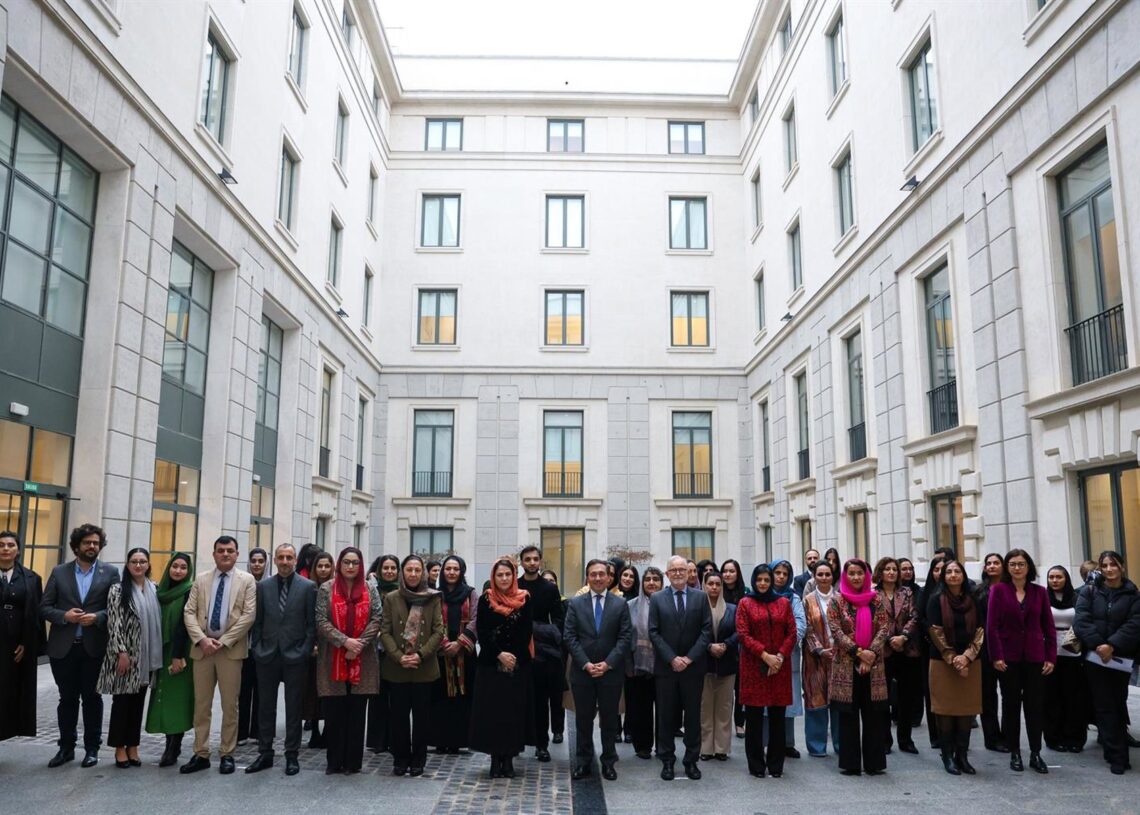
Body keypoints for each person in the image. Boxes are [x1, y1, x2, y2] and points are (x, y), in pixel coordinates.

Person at [40, 523, 120, 768]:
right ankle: (66, 748)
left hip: (94, 647)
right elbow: (44, 606)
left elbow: (116, 608)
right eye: (87, 543)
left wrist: (97, 617)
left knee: (92, 699)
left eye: (96, 543)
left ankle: (92, 749)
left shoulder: (110, 572)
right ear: (77, 546)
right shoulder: (60, 572)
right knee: (67, 699)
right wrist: (65, 616)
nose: (92, 546)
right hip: (63, 648)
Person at [180, 535, 257, 775]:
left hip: (230, 651)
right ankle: (200, 752)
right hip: (202, 650)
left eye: (230, 550)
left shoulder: (247, 581)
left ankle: (227, 753)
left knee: (229, 705)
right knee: (201, 705)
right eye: (221, 550)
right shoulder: (201, 580)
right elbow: (189, 612)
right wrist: (202, 640)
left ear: (237, 554)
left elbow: (248, 616)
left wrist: (222, 642)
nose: (225, 554)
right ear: (214, 554)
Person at [246, 544, 316, 776]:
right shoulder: (263, 587)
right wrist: (256, 647)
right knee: (265, 707)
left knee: (293, 707)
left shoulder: (308, 587)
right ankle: (265, 752)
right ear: (274, 560)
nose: (285, 561)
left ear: (296, 560)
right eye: (281, 557)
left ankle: (291, 754)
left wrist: (305, 650)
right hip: (267, 655)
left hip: (295, 655)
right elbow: (257, 621)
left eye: (289, 557)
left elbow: (310, 624)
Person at [987, 549, 1055, 774]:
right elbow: (992, 627)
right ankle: (1014, 750)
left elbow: (1048, 627)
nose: (1017, 568)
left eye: (1021, 564)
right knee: (1011, 705)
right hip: (1008, 658)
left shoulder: (1040, 592)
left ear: (1029, 567)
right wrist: (996, 655)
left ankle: (1036, 752)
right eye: (1013, 564)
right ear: (1007, 567)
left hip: (1035, 657)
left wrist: (1050, 656)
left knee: (1035, 706)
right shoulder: (998, 591)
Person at [564, 559, 632, 780]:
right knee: (582, 720)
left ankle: (609, 761)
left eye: (602, 574)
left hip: (610, 672)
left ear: (609, 577)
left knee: (610, 720)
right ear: (587, 577)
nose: (598, 578)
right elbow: (570, 637)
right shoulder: (575, 603)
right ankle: (583, 762)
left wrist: (607, 663)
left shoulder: (620, 604)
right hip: (582, 672)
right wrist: (585, 663)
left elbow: (624, 637)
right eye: (593, 574)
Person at [1074, 550, 1140, 775]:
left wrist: (1111, 645)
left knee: (1119, 702)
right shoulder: (1089, 592)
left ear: (1121, 566)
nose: (1109, 569)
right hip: (1095, 658)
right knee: (1104, 705)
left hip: (1121, 658)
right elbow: (1082, 620)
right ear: (1100, 569)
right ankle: (1115, 755)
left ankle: (1119, 750)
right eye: (1105, 565)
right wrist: (1099, 646)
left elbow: (1135, 624)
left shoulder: (1133, 594)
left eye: (1114, 564)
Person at [317, 547, 382, 774]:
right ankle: (334, 762)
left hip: (362, 659)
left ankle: (353, 763)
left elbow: (377, 618)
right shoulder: (327, 588)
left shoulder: (369, 588)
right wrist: (345, 642)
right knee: (334, 713)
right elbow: (320, 620)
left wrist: (359, 644)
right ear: (339, 564)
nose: (351, 566)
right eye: (346, 562)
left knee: (356, 714)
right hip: (333, 656)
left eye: (355, 562)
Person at [97, 548, 163, 769]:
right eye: (134, 561)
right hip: (126, 657)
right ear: (127, 564)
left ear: (148, 564)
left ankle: (133, 746)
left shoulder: (154, 589)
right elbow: (114, 623)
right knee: (122, 703)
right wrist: (121, 653)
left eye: (142, 561)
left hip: (147, 658)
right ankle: (119, 748)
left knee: (137, 704)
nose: (138, 565)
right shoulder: (117, 589)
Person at [470, 556, 535, 779]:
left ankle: (509, 759)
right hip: (490, 664)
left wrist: (512, 656)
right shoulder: (486, 600)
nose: (504, 578)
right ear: (493, 578)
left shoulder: (524, 599)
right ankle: (494, 759)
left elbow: (526, 631)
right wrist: (499, 653)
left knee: (513, 713)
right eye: (500, 575)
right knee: (492, 713)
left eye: (508, 574)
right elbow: (483, 630)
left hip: (517, 665)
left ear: (514, 576)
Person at [648, 555, 712, 781]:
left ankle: (691, 761)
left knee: (693, 717)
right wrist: (672, 658)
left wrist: (689, 658)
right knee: (666, 716)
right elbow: (653, 632)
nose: (677, 573)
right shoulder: (657, 598)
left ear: (689, 573)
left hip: (693, 669)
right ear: (667, 574)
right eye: (673, 570)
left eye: (681, 570)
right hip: (666, 669)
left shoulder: (701, 597)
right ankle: (667, 760)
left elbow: (706, 631)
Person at [380, 554, 444, 777]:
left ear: (423, 573)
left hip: (423, 668)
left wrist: (420, 654)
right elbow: (385, 631)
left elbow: (438, 631)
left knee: (422, 719)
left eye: (417, 570)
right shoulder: (392, 597)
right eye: (409, 570)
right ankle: (400, 759)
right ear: (402, 572)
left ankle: (418, 759)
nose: (413, 574)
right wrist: (399, 656)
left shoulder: (433, 597)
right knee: (398, 718)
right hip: (397, 668)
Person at [828, 558, 889, 776]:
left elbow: (884, 627)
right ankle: (851, 763)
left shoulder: (877, 599)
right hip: (846, 663)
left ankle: (874, 763)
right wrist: (859, 653)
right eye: (851, 573)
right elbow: (835, 630)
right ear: (845, 576)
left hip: (873, 664)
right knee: (848, 715)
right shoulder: (837, 600)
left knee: (873, 715)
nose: (856, 577)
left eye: (859, 573)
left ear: (866, 575)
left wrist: (870, 654)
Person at [736, 563, 796, 778]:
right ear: (754, 581)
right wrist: (765, 655)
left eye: (766, 580)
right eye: (759, 580)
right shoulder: (745, 603)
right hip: (754, 667)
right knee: (753, 719)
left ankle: (776, 764)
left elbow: (792, 633)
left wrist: (778, 657)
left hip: (779, 667)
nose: (763, 583)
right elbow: (743, 634)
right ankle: (756, 765)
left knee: (778, 718)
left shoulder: (783, 603)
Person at [927, 560, 983, 775]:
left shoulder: (973, 599)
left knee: (966, 711)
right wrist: (954, 659)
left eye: (956, 571)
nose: (952, 575)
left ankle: (963, 756)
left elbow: (980, 630)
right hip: (943, 662)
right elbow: (935, 632)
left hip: (971, 662)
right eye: (948, 572)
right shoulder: (936, 600)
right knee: (945, 711)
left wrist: (967, 657)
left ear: (963, 574)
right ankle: (948, 756)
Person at [144, 553, 195, 767]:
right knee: (162, 698)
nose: (178, 571)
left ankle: (174, 746)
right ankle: (169, 742)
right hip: (161, 653)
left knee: (178, 700)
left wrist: (178, 656)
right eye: (175, 566)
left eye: (183, 567)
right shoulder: (159, 592)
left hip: (179, 654)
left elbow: (185, 625)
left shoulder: (190, 591)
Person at [519, 544, 566, 758]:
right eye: (527, 559)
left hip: (543, 651)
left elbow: (558, 620)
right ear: (521, 562)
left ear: (540, 561)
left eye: (534, 559)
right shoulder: (515, 586)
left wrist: (540, 633)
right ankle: (517, 741)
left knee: (541, 700)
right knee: (518, 699)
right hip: (518, 649)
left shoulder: (549, 588)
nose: (531, 562)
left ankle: (541, 744)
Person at [430, 555, 478, 754]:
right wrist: (443, 643)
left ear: (461, 571)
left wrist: (459, 643)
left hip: (464, 654)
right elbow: (431, 620)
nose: (451, 572)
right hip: (439, 654)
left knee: (462, 697)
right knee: (439, 698)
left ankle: (459, 740)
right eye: (448, 569)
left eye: (455, 569)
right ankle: (440, 740)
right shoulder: (434, 594)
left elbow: (476, 619)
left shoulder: (471, 594)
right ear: (442, 571)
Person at [0, 531, 44, 745]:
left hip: (14, 646)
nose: (5, 549)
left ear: (17, 550)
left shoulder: (31, 578)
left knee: (8, 693)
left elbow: (35, 614)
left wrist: (28, 644)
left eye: (10, 545)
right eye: (1, 545)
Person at [874, 557, 919, 755]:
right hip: (883, 650)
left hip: (905, 649)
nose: (891, 572)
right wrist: (888, 639)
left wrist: (903, 637)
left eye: (894, 569)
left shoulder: (906, 592)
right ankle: (884, 740)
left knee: (906, 696)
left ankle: (905, 739)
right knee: (882, 696)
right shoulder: (873, 595)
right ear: (880, 572)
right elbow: (873, 621)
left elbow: (914, 616)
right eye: (887, 569)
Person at [1044, 565, 1086, 754]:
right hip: (1050, 654)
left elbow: (1083, 622)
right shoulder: (1043, 598)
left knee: (1074, 697)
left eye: (1059, 577)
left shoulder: (1077, 598)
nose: (1055, 580)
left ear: (1066, 579)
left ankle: (1075, 737)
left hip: (1073, 653)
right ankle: (1054, 737)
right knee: (1052, 697)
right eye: (1051, 577)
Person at [699, 571, 738, 762]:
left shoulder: (732, 608)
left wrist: (726, 645)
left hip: (727, 663)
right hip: (704, 664)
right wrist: (708, 647)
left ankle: (722, 748)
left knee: (724, 707)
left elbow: (740, 631)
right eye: (710, 584)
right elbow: (693, 632)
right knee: (705, 707)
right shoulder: (697, 607)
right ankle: (706, 748)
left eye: (717, 584)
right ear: (704, 585)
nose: (714, 587)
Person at [802, 560, 839, 757]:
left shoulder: (841, 598)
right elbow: (806, 627)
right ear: (814, 577)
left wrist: (837, 647)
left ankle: (842, 744)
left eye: (827, 574)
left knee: (839, 701)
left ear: (832, 576)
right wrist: (819, 649)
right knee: (816, 700)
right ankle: (816, 746)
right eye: (820, 574)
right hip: (814, 659)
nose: (824, 578)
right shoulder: (808, 600)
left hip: (839, 657)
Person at [625, 566, 663, 759]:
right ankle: (643, 746)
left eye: (656, 579)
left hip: (664, 664)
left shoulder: (667, 604)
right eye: (648, 579)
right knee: (641, 708)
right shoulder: (631, 605)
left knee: (664, 709)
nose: (651, 583)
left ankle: (663, 747)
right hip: (637, 664)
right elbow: (624, 636)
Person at [770, 559, 806, 758]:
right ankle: (767, 742)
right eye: (777, 572)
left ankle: (787, 743)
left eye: (785, 573)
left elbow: (800, 624)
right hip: (765, 656)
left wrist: (783, 648)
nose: (781, 576)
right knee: (766, 701)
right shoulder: (761, 596)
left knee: (788, 700)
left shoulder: (794, 598)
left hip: (787, 655)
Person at [365, 554, 400, 754]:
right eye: (385, 568)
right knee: (377, 696)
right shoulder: (370, 589)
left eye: (392, 568)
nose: (388, 571)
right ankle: (377, 740)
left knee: (396, 697)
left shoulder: (403, 591)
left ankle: (395, 738)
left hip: (395, 650)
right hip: (374, 650)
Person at [974, 552, 1007, 752]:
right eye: (989, 563)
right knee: (987, 695)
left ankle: (1008, 735)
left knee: (1009, 694)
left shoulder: (1010, 590)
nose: (992, 566)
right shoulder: (978, 592)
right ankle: (992, 737)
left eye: (996, 563)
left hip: (1008, 647)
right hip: (985, 649)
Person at [303, 551, 335, 749]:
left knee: (330, 692)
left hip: (332, 647)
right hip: (312, 649)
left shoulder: (335, 589)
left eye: (327, 566)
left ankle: (329, 730)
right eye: (319, 566)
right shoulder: (308, 588)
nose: (323, 570)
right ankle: (314, 729)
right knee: (311, 693)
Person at [237, 547, 267, 747]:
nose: (257, 564)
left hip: (264, 647)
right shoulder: (241, 584)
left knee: (262, 691)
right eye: (253, 560)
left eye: (260, 561)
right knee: (242, 690)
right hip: (243, 645)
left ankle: (257, 731)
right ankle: (240, 732)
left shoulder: (270, 584)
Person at [917, 554, 947, 748]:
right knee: (932, 692)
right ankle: (936, 735)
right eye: (936, 570)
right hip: (930, 648)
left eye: (943, 569)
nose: (940, 573)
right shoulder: (925, 593)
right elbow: (920, 619)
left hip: (955, 651)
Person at [719, 557, 747, 738]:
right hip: (721, 646)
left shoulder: (746, 594)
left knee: (741, 687)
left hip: (742, 646)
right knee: (723, 690)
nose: (728, 574)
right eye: (725, 571)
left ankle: (740, 722)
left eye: (732, 571)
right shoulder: (716, 592)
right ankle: (724, 723)